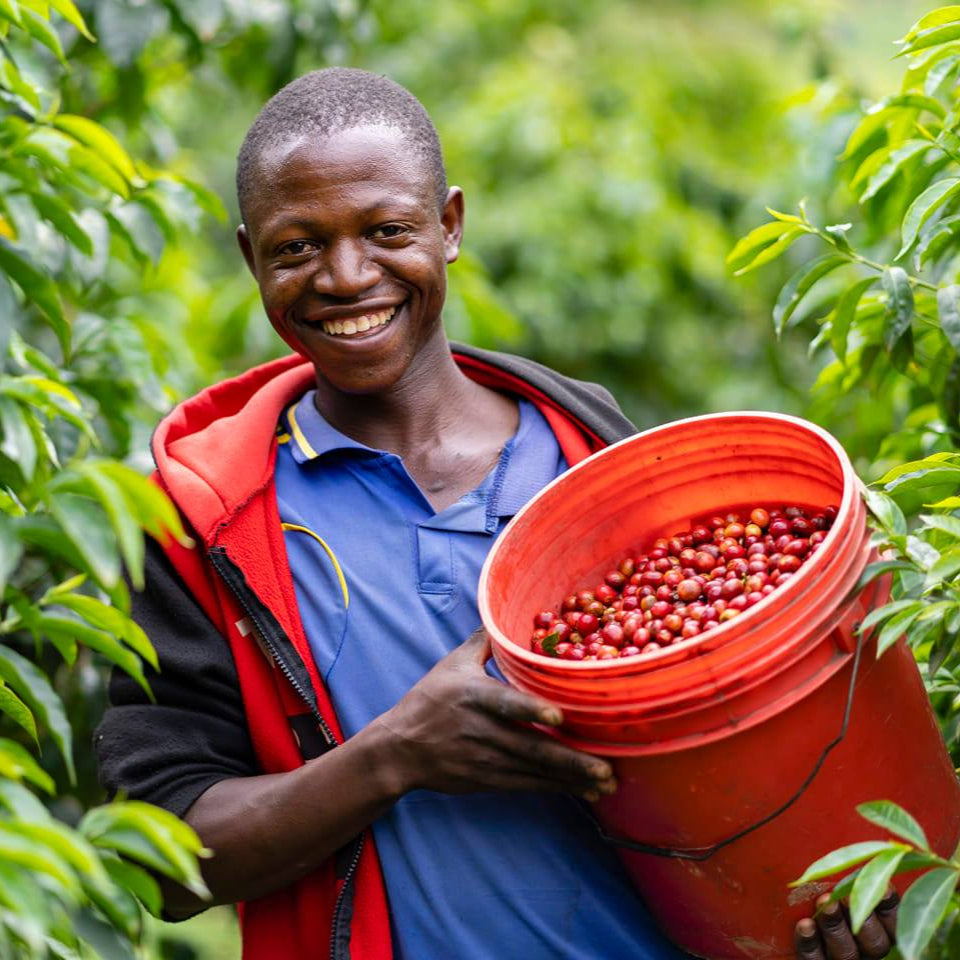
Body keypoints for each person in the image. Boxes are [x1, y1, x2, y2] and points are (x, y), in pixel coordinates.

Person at [95, 68, 897, 960]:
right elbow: (158, 857)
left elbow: (742, 748)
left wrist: (820, 910)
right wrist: (394, 755)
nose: (347, 276)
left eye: (388, 230)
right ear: (251, 258)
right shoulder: (204, 520)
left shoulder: (594, 460)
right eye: (297, 248)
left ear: (450, 224)